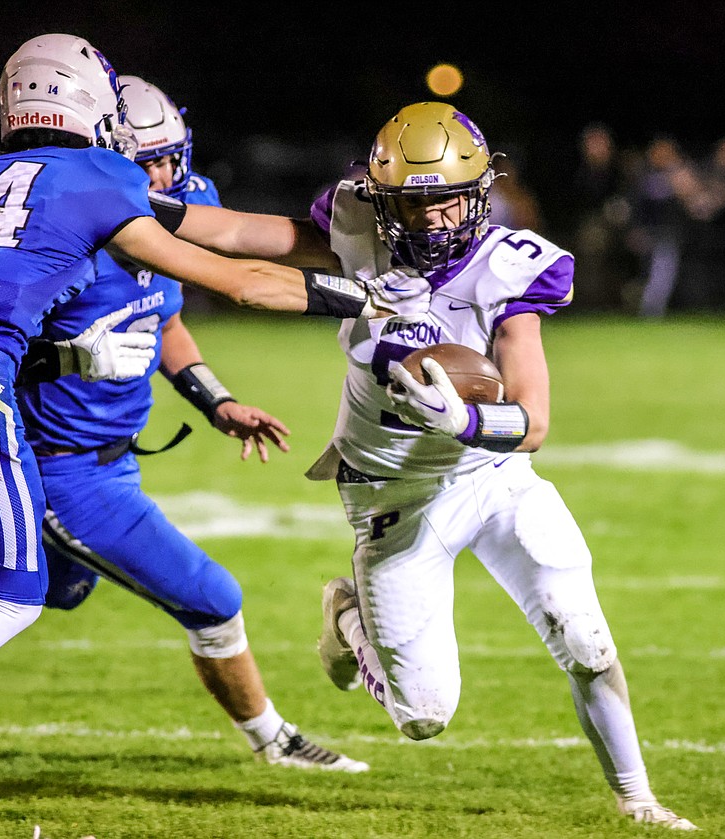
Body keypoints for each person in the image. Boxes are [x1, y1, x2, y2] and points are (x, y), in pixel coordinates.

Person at [0, 32, 413, 826]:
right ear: (91, 103)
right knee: (15, 593)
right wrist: (368, 299)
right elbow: (237, 276)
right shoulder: (96, 173)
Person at [173, 101, 696, 830]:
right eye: (413, 202)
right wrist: (124, 206)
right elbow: (232, 233)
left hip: (488, 475)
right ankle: (346, 613)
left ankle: (637, 797)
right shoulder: (356, 230)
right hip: (390, 496)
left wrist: (467, 420)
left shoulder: (511, 267)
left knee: (584, 634)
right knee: (422, 717)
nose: (432, 218)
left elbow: (535, 421)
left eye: (448, 196)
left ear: (481, 189)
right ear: (382, 197)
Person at [21, 75, 367, 771]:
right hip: (61, 460)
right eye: (142, 161)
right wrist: (65, 356)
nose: (161, 174)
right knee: (213, 597)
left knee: (57, 585)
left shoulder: (186, 204)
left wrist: (217, 401)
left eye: (167, 157)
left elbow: (165, 319)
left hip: (110, 454)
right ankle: (274, 738)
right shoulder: (71, 223)